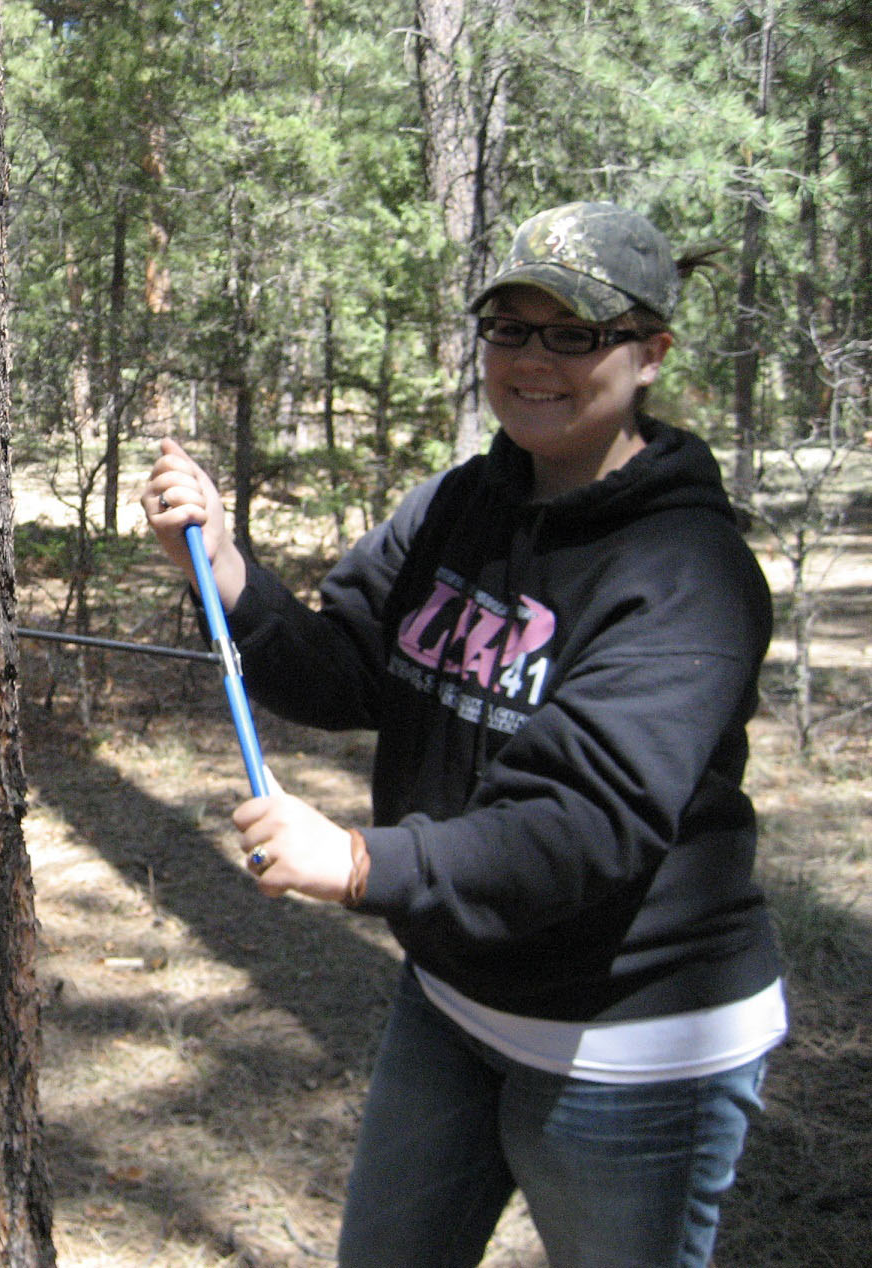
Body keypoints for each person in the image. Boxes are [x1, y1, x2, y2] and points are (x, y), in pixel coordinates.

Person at [142, 201, 786, 1268]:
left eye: (572, 334)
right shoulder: (455, 506)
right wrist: (222, 571)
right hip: (452, 999)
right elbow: (350, 666)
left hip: (631, 1040)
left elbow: (584, 823)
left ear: (649, 353)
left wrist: (358, 860)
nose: (532, 360)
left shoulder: (688, 572)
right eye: (509, 329)